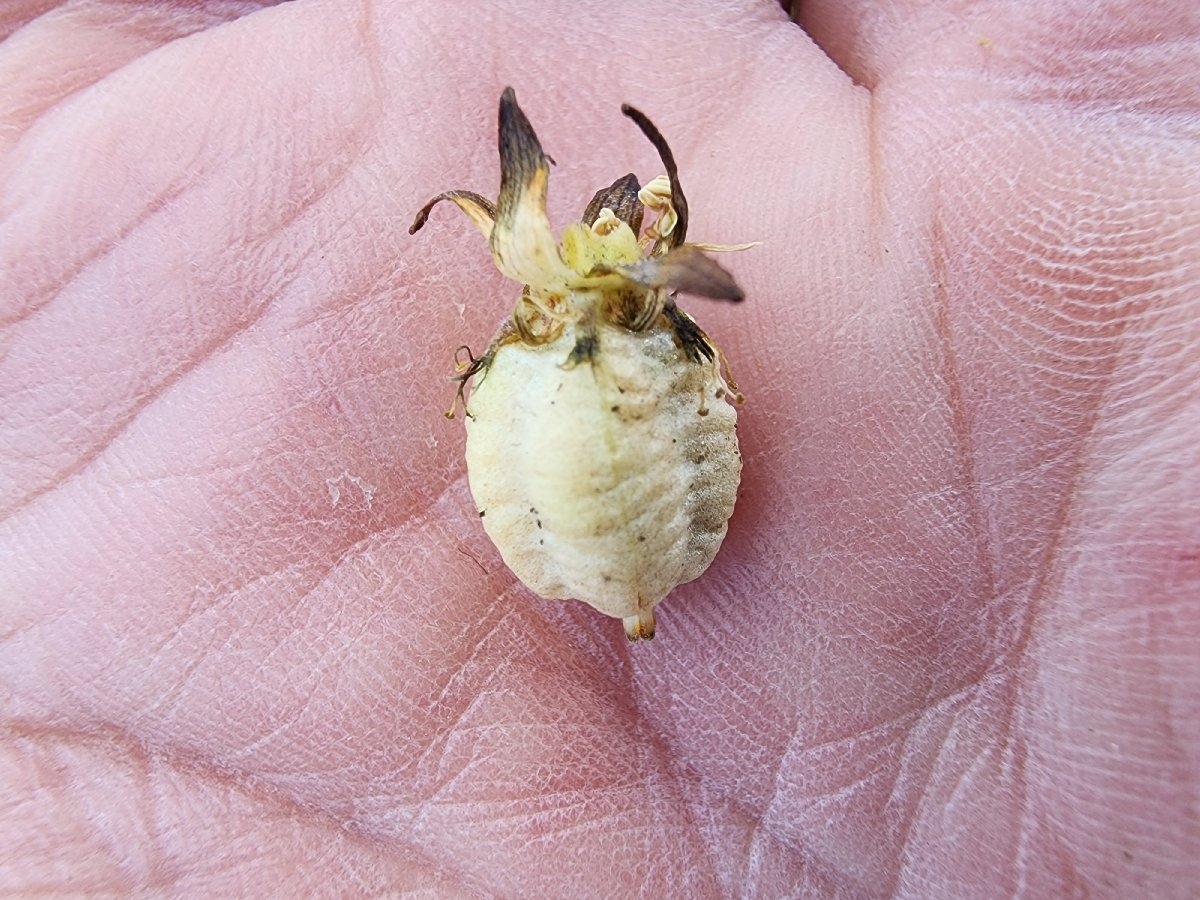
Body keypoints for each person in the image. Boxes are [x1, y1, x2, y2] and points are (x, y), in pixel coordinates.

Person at [2, 1, 1196, 895]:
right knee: (607, 541)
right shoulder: (604, 353)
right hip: (587, 448)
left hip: (590, 450)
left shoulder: (577, 354)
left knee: (613, 548)